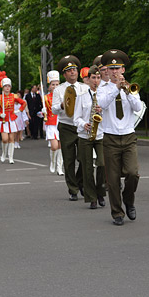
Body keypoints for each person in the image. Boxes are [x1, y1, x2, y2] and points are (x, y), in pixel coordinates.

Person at [97, 49, 143, 226]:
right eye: (112, 68)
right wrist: (116, 89)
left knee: (133, 173)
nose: (115, 72)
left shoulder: (131, 87)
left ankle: (129, 200)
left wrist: (127, 92)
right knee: (113, 179)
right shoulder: (103, 89)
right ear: (107, 71)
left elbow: (138, 107)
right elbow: (101, 104)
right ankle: (117, 212)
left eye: (118, 68)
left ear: (123, 70)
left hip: (129, 136)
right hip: (110, 138)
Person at [52, 55, 89, 201]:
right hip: (66, 126)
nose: (73, 72)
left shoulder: (85, 88)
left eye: (74, 69)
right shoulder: (59, 90)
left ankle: (80, 181)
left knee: (83, 157)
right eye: (69, 70)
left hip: (81, 126)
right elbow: (54, 109)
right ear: (64, 74)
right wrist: (62, 105)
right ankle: (72, 189)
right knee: (69, 159)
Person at [73, 66, 107, 209]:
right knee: (87, 168)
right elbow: (76, 118)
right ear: (88, 79)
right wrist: (83, 124)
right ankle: (91, 197)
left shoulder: (105, 95)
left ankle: (100, 192)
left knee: (102, 164)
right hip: (85, 135)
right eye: (93, 78)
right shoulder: (81, 97)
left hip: (100, 134)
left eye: (98, 78)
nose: (96, 81)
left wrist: (102, 110)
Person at [0, 77, 27, 164]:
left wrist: (19, 110)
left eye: (9, 86)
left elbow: (23, 103)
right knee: (5, 139)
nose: (7, 88)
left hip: (11, 119)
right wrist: (0, 114)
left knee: (11, 138)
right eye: (5, 86)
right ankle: (4, 153)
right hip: (3, 120)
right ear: (3, 87)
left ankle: (11, 157)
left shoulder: (14, 96)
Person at [43, 71, 63, 175]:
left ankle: (60, 167)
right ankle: (53, 162)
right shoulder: (46, 98)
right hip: (51, 124)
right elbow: (42, 113)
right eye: (53, 84)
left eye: (57, 84)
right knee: (54, 146)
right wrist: (43, 112)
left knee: (61, 146)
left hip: (61, 122)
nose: (55, 86)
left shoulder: (63, 96)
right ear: (49, 86)